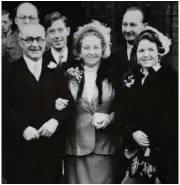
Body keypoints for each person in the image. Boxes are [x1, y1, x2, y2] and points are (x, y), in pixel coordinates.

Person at [4, 24, 75, 183]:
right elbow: (4, 107)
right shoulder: (9, 72)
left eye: (39, 39)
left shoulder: (56, 71)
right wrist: (22, 128)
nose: (34, 44)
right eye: (29, 40)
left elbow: (70, 105)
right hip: (19, 152)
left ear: (45, 42)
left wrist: (55, 121)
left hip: (50, 153)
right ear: (21, 42)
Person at [55, 20, 122, 184]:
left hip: (105, 148)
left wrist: (110, 118)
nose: (92, 52)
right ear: (79, 50)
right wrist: (57, 103)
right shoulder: (67, 74)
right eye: (86, 48)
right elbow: (57, 101)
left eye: (96, 47)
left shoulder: (114, 75)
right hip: (75, 147)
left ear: (103, 49)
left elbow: (123, 107)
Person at [118, 27, 178, 183]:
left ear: (159, 52)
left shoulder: (171, 78)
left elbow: (170, 119)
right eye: (141, 50)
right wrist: (132, 132)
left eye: (150, 49)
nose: (146, 55)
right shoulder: (132, 80)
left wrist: (148, 140)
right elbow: (122, 114)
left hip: (163, 154)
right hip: (134, 155)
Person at [113, 6, 147, 80]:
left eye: (132, 25)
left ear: (144, 26)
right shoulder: (115, 55)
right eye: (125, 24)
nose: (127, 30)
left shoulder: (155, 54)